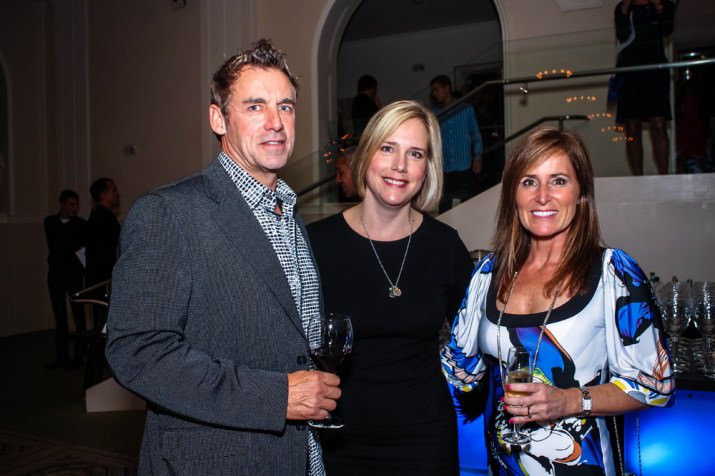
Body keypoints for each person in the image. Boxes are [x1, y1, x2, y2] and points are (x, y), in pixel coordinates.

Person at [105, 39, 340, 475]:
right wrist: (276, 398)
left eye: (285, 107)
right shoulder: (169, 212)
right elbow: (137, 351)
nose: (275, 122)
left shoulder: (288, 211)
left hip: (296, 455)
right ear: (218, 118)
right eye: (255, 106)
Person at [441, 127, 674, 475]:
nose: (543, 196)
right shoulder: (489, 273)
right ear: (513, 195)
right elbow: (460, 371)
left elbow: (656, 385)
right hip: (502, 466)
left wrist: (569, 400)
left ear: (580, 193)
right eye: (529, 182)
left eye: (559, 181)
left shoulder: (613, 273)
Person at [308, 100, 473, 475]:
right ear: (366, 156)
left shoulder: (445, 246)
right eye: (388, 148)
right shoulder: (316, 244)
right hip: (338, 439)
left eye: (415, 153)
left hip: (425, 441)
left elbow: (477, 342)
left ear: (426, 169)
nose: (400, 165)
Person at [614, 0, 676, 175]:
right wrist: (626, 9)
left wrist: (658, 6)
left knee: (659, 122)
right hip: (630, 71)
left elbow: (666, 30)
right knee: (632, 126)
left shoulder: (666, 5)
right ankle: (637, 177)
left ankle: (664, 174)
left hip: (655, 70)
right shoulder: (622, 7)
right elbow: (622, 35)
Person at [44, 190, 87, 370]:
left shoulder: (81, 224)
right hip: (56, 274)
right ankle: (62, 357)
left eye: (76, 205)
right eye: (71, 204)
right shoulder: (50, 222)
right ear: (62, 204)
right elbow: (58, 245)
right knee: (60, 316)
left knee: (79, 316)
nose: (74, 208)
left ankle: (79, 356)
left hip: (74, 274)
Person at [430, 75, 483, 213]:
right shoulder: (435, 114)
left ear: (447, 88)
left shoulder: (466, 109)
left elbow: (475, 134)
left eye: (436, 90)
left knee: (470, 205)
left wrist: (477, 157)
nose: (434, 94)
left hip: (464, 166)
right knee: (445, 208)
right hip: (445, 168)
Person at [86, 177, 121, 288]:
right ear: (103, 195)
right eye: (114, 190)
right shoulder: (103, 219)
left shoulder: (99, 215)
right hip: (104, 278)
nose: (118, 194)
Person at [350, 74, 381, 139]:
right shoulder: (367, 102)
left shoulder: (356, 100)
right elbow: (378, 119)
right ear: (373, 88)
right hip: (367, 135)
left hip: (360, 135)